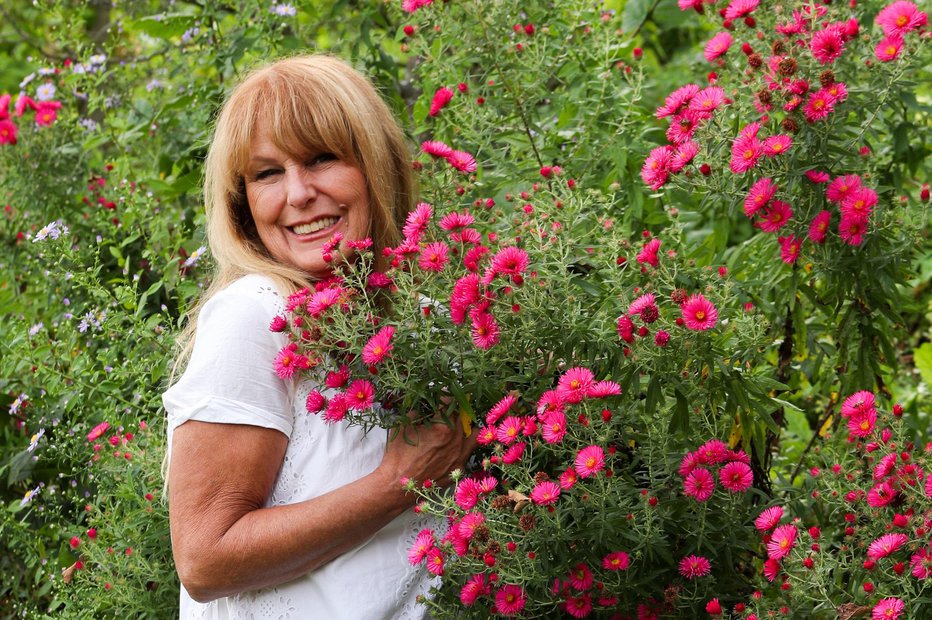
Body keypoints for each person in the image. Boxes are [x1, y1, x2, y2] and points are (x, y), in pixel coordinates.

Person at [163, 54, 476, 619]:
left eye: (322, 158)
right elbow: (204, 560)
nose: (299, 193)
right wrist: (398, 482)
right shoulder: (255, 317)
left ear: (375, 165)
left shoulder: (429, 324)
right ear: (243, 204)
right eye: (267, 173)